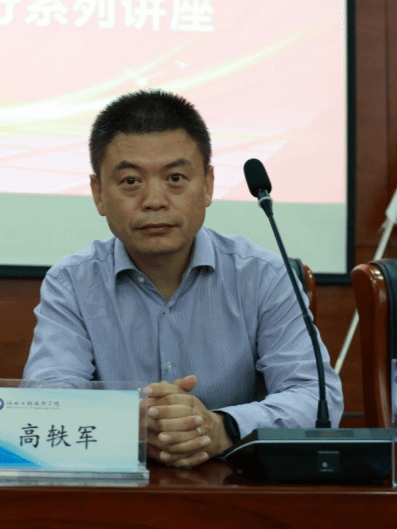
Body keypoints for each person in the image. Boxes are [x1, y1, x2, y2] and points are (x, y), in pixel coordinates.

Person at [23, 89, 342, 468]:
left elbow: (315, 397)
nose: (154, 200)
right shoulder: (72, 282)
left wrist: (222, 426)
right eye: (130, 181)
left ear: (207, 185)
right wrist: (127, 426)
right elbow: (46, 399)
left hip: (233, 488)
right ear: (98, 194)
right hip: (114, 490)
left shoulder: (264, 276)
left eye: (175, 178)